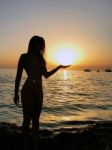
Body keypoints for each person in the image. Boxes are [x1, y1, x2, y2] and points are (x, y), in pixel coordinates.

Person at [14, 35, 70, 150]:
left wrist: (59, 67)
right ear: (35, 44)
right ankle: (25, 146)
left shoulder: (41, 59)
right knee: (26, 119)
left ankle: (35, 146)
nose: (43, 46)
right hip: (28, 90)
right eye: (42, 43)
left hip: (39, 91)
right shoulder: (24, 57)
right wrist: (15, 93)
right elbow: (18, 76)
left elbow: (46, 75)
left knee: (36, 120)